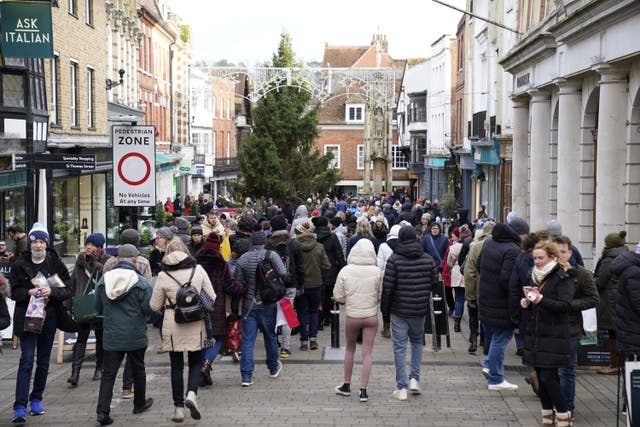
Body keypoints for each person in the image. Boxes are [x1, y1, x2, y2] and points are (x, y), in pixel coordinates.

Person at [10, 223, 72, 423]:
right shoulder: (20, 264)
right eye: (34, 241)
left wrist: (51, 291)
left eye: (41, 241)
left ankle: (36, 399)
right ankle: (19, 406)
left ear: (46, 243)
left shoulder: (54, 261)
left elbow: (67, 288)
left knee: (44, 361)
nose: (38, 245)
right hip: (28, 316)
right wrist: (27, 292)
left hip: (50, 315)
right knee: (27, 359)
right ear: (29, 243)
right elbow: (13, 291)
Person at [150, 240, 215, 423]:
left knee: (176, 367)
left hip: (173, 324)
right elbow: (212, 296)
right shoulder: (199, 270)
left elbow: (154, 305)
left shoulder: (163, 275)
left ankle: (178, 408)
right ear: (186, 252)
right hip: (196, 322)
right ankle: (192, 393)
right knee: (195, 361)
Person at [95, 244, 153, 426]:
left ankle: (102, 412)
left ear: (117, 259)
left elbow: (98, 307)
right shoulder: (140, 282)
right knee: (138, 369)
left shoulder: (104, 280)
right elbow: (148, 308)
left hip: (112, 333)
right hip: (135, 333)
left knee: (108, 373)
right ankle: (139, 403)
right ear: (135, 260)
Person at [520, 240, 574, 427]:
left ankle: (564, 417)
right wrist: (527, 304)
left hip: (555, 335)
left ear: (552, 257)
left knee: (547, 378)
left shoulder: (561, 277)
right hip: (537, 335)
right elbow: (537, 306)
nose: (537, 261)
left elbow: (565, 306)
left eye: (541, 258)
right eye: (534, 258)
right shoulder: (535, 276)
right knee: (540, 379)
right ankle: (547, 419)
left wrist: (541, 300)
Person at [381, 226, 438, 400]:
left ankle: (402, 387)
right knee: (416, 343)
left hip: (399, 309)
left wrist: (385, 311)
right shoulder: (428, 260)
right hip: (419, 309)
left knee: (399, 347)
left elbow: (388, 288)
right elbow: (434, 283)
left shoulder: (394, 260)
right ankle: (414, 378)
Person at [333, 239, 383, 403]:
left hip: (352, 316)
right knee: (367, 352)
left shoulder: (345, 270)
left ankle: (346, 385)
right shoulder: (377, 271)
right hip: (371, 316)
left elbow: (338, 296)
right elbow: (382, 293)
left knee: (349, 349)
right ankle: (363, 390)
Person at [234, 231, 286, 386]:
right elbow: (283, 272)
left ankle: (246, 376)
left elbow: (238, 281)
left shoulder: (243, 259)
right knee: (270, 336)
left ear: (251, 243)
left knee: (248, 341)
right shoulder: (272, 255)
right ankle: (273, 367)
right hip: (268, 302)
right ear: (264, 242)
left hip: (249, 305)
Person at [554, 235, 599, 416]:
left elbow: (593, 299)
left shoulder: (581, 274)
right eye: (556, 253)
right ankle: (555, 405)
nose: (560, 256)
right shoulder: (548, 272)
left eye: (563, 252)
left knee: (566, 370)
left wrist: (570, 305)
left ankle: (567, 409)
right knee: (552, 371)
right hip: (550, 328)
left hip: (571, 328)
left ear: (570, 252)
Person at [478, 222, 522, 391]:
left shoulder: (489, 243)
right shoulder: (512, 250)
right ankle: (496, 379)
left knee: (497, 335)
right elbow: (507, 280)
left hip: (488, 297)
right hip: (502, 302)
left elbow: (479, 265)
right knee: (502, 337)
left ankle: (489, 365)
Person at [68, 233, 110, 386]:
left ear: (99, 247)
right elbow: (72, 283)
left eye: (92, 245)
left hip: (100, 304)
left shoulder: (106, 262)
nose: (88, 247)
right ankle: (75, 372)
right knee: (81, 338)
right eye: (87, 244)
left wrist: (97, 266)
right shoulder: (80, 261)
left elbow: (108, 280)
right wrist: (68, 304)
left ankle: (100, 368)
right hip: (83, 304)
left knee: (100, 337)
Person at [265, 214, 305, 358]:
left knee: (272, 314)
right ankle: (285, 347)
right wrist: (300, 283)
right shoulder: (294, 243)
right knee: (288, 313)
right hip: (290, 283)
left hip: (272, 285)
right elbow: (300, 266)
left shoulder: (268, 243)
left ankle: (273, 342)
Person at [196, 232, 231, 385]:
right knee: (217, 337)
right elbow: (228, 285)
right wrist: (242, 287)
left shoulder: (195, 261)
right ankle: (206, 364)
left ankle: (201, 372)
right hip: (216, 306)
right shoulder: (221, 263)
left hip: (197, 305)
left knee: (202, 338)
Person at [594, 230, 629, 375]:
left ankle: (616, 365)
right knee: (619, 333)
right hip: (620, 299)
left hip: (610, 301)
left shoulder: (609, 259)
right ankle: (621, 364)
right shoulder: (626, 255)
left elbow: (600, 282)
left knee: (613, 334)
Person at [295, 223, 330, 350]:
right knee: (314, 311)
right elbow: (327, 265)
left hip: (301, 284)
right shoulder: (319, 247)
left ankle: (304, 341)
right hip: (316, 283)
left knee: (302, 312)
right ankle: (313, 339)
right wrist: (321, 277)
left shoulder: (296, 247)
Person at [463, 220, 495, 354]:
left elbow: (469, 272)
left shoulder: (476, 246)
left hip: (477, 288)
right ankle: (484, 341)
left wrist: (470, 293)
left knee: (473, 315)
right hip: (492, 292)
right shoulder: (498, 246)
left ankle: (474, 340)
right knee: (486, 317)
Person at [312, 216, 346, 329]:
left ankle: (319, 319)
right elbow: (339, 254)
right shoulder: (332, 237)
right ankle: (329, 317)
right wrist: (343, 269)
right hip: (331, 269)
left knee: (318, 295)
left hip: (316, 269)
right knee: (330, 295)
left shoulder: (313, 237)